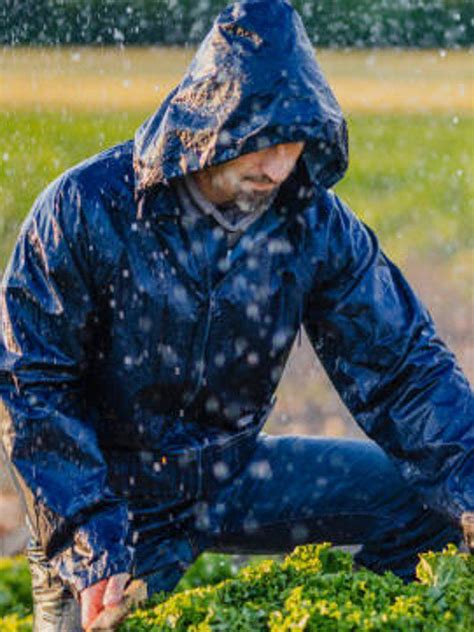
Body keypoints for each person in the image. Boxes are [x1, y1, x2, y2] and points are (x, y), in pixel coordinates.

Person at [0, 0, 472, 629]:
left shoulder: (312, 221)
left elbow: (403, 366)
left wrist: (470, 477)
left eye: (294, 142)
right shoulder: (85, 209)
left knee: (431, 503)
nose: (279, 167)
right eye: (263, 143)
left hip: (231, 474)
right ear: (217, 120)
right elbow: (32, 385)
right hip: (111, 499)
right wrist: (88, 535)